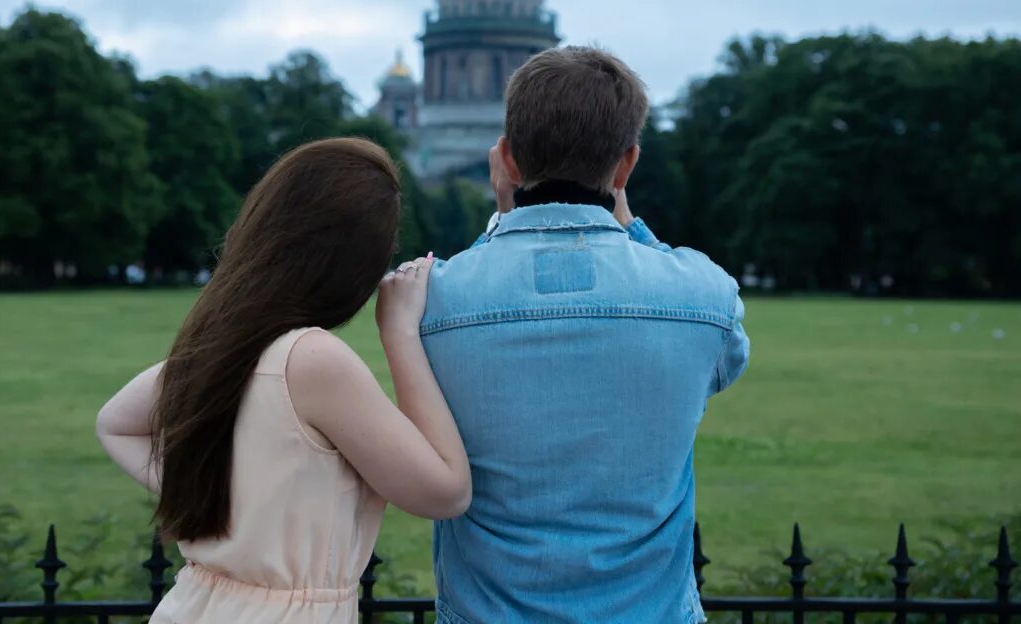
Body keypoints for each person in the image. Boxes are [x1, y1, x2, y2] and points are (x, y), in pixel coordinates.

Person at [422, 47, 751, 624]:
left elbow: (457, 297)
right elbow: (727, 362)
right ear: (626, 166)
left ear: (506, 159)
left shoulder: (434, 302)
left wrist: (502, 220)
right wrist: (629, 222)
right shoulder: (703, 295)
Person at [96, 137, 470, 624]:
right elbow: (445, 492)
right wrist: (398, 331)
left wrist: (218, 497)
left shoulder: (229, 344)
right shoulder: (312, 360)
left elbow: (116, 423)